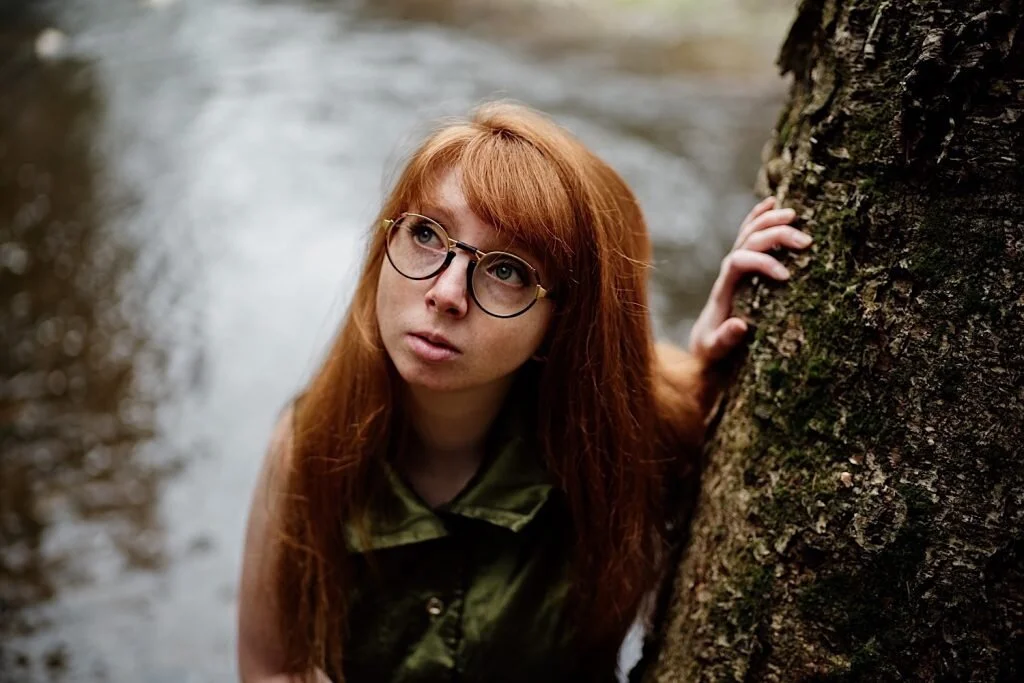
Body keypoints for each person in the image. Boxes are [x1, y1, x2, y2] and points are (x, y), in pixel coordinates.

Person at [236, 100, 810, 683]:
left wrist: (720, 362)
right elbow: (271, 669)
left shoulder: (626, 437)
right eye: (427, 234)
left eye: (507, 270)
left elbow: (726, 442)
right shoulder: (311, 441)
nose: (446, 293)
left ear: (563, 325)